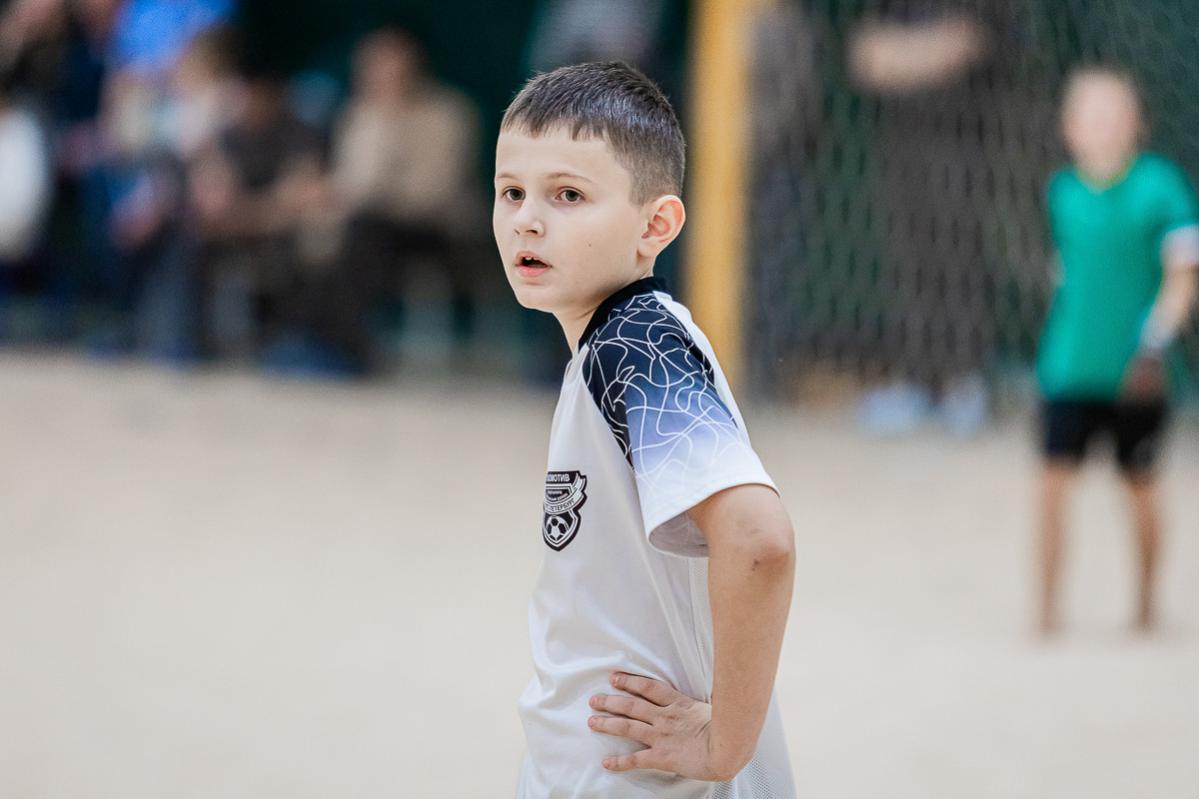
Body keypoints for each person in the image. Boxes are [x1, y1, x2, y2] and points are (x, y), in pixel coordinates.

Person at [493, 63, 796, 797]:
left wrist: (725, 742)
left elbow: (760, 537)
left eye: (568, 195)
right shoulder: (606, 346)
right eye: (511, 192)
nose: (527, 219)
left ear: (655, 225)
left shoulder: (637, 346)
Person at [1036, 67, 1199, 634]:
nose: (1101, 125)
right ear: (1069, 126)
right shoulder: (1061, 192)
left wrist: (1153, 345)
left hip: (1137, 373)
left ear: (1136, 123)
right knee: (1052, 486)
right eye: (1089, 114)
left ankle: (1146, 605)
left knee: (1140, 486)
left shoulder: (1162, 188)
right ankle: (1046, 611)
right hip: (1068, 368)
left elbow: (1181, 279)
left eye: (1113, 113)